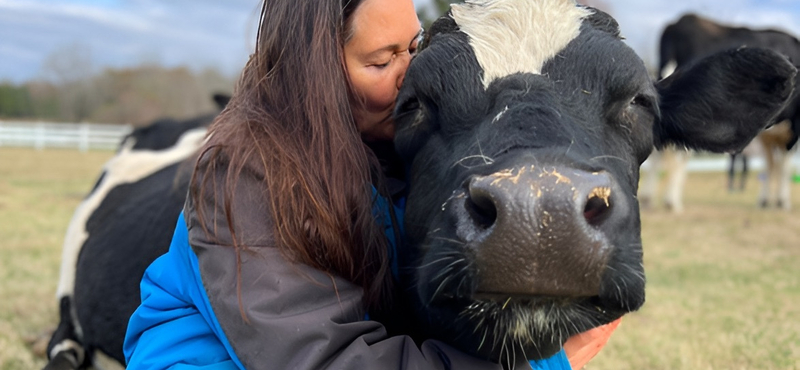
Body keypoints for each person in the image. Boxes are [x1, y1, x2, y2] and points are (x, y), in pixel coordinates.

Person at [123, 0, 618, 369]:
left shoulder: (397, 146)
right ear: (315, 75)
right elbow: (321, 359)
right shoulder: (247, 176)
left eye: (416, 46)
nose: (414, 73)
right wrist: (538, 363)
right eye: (382, 61)